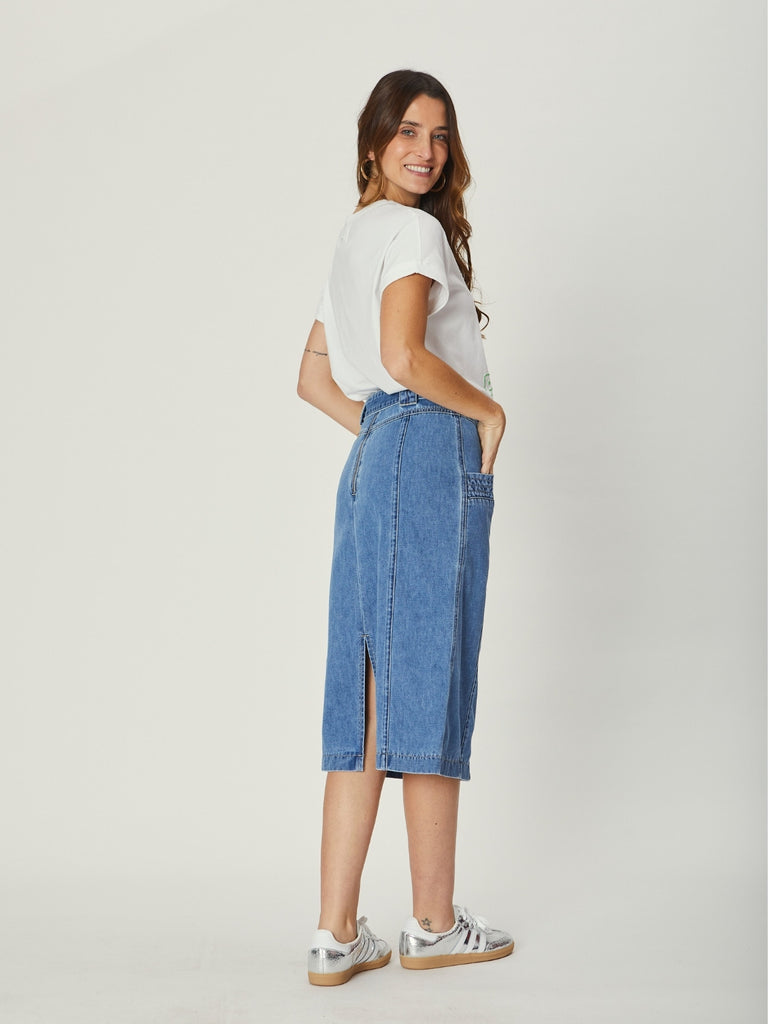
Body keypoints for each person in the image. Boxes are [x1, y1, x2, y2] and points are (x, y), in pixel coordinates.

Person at [297, 69, 513, 987]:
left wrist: (383, 436)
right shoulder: (415, 231)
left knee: (370, 692)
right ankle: (430, 923)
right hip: (422, 451)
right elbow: (401, 356)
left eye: (441, 134)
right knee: (426, 672)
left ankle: (336, 934)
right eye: (409, 131)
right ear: (375, 139)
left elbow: (314, 378)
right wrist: (484, 414)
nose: (427, 150)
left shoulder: (355, 238)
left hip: (375, 461)